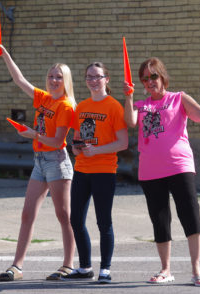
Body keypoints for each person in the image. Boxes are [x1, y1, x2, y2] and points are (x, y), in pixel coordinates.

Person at [123, 57, 200, 287]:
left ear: (162, 76)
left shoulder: (178, 98)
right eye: (145, 78)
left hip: (179, 165)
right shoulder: (141, 105)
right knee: (160, 220)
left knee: (189, 215)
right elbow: (130, 122)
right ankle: (165, 269)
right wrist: (129, 96)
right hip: (150, 171)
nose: (150, 81)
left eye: (154, 76)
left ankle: (196, 270)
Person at [0, 44, 76, 281]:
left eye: (59, 77)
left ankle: (68, 265)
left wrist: (33, 135)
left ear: (66, 81)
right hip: (40, 161)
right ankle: (17, 266)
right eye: (51, 76)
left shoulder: (66, 105)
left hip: (57, 161)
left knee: (63, 215)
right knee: (27, 213)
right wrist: (5, 54)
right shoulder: (44, 99)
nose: (53, 80)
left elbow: (58, 141)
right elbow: (19, 79)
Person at [62, 62, 128, 284]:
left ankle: (105, 269)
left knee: (103, 221)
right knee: (76, 220)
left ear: (106, 79)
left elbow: (123, 143)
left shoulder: (114, 106)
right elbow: (77, 138)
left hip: (104, 171)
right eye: (89, 77)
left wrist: (97, 150)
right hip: (82, 169)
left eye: (97, 77)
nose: (93, 80)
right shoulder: (81, 107)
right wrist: (75, 147)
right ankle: (85, 266)